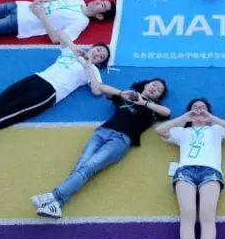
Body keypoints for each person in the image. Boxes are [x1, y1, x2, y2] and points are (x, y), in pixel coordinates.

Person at [31, 78, 171, 218]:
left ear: (159, 97)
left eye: (159, 90)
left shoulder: (153, 108)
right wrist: (121, 93)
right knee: (80, 166)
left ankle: (52, 195)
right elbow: (100, 87)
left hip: (121, 139)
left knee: (90, 166)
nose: (155, 89)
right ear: (146, 84)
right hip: (101, 132)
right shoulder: (128, 96)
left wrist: (144, 103)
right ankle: (56, 205)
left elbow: (167, 112)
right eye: (154, 84)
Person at [156, 99, 225, 239]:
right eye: (195, 108)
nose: (199, 110)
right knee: (187, 216)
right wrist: (185, 118)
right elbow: (160, 131)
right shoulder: (182, 131)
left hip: (211, 171)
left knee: (207, 216)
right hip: (185, 171)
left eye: (203, 108)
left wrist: (210, 118)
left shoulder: (216, 129)